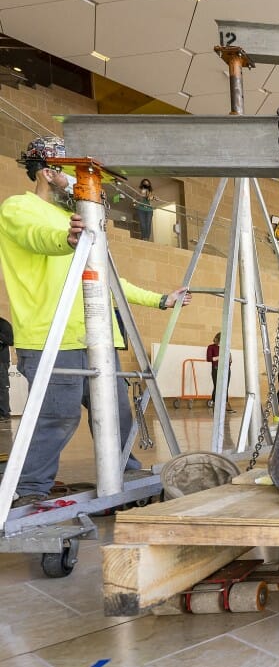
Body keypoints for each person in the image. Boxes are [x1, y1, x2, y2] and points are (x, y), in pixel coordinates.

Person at [2, 136, 191, 507]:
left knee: (117, 414)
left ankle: (125, 472)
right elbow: (35, 237)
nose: (74, 181)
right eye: (67, 172)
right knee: (58, 416)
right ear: (46, 170)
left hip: (96, 337)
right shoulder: (18, 208)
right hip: (51, 338)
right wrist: (67, 238)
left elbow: (105, 277)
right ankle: (30, 491)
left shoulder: (71, 217)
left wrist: (160, 300)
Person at [206, 332, 234, 412]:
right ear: (218, 338)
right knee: (217, 386)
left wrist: (229, 358)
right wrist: (220, 357)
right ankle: (215, 403)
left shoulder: (226, 348)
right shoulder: (211, 347)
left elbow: (229, 361)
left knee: (225, 387)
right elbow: (209, 358)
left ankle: (226, 403)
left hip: (226, 369)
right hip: (216, 369)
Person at [0, 317, 12, 421]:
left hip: (1, 361)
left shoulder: (3, 324)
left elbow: (11, 341)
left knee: (2, 388)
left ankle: (4, 414)